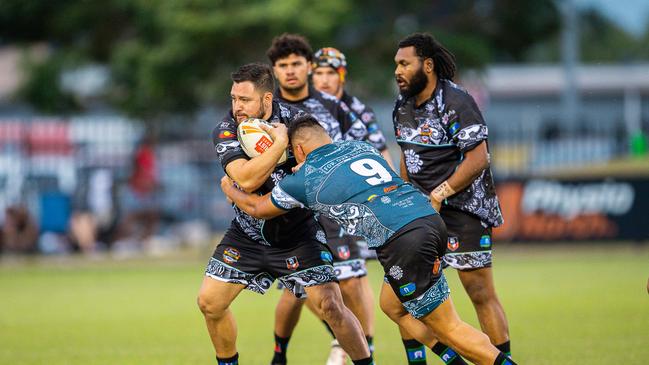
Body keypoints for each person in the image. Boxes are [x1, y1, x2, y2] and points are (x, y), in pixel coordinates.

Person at [220, 115, 517, 365]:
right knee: (393, 306)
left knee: (450, 326)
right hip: (428, 219)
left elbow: (258, 209)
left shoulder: (305, 177)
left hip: (403, 240)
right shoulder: (360, 147)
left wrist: (230, 187)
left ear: (297, 150)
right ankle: (454, 360)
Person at [197, 63, 373, 365]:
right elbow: (247, 179)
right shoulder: (226, 129)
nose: (236, 107)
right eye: (233, 99)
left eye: (244, 100)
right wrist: (279, 143)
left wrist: (314, 166)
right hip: (248, 233)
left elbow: (328, 160)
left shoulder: (298, 122)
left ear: (266, 100)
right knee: (210, 303)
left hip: (299, 233)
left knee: (332, 306)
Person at [266, 34, 389, 365]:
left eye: (296, 64)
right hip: (291, 213)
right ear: (274, 71)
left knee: (351, 278)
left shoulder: (336, 106)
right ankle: (280, 354)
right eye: (283, 66)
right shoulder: (269, 112)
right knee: (295, 291)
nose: (290, 71)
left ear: (308, 66)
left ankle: (365, 351)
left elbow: (366, 151)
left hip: (336, 208)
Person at [392, 32, 511, 363]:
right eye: (396, 65)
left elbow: (478, 158)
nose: (398, 71)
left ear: (427, 65)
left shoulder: (456, 100)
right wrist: (404, 198)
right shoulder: (402, 106)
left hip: (464, 210)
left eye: (405, 63)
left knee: (480, 293)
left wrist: (440, 193)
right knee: (402, 299)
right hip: (422, 214)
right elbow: (406, 156)